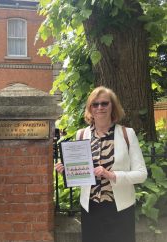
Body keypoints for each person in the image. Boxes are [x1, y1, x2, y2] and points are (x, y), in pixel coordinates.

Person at [55, 86, 147, 242]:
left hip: (120, 209)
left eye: (104, 103)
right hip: (91, 209)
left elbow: (142, 174)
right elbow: (82, 172)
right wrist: (67, 170)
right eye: (95, 104)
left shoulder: (127, 134)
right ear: (90, 108)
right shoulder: (82, 134)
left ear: (113, 106)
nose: (100, 108)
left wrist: (111, 175)